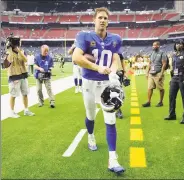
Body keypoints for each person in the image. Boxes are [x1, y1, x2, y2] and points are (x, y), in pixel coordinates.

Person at [72, 7, 125, 174]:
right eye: (100, 17)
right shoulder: (84, 36)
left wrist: (114, 72)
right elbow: (76, 57)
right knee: (90, 116)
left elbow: (116, 58)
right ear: (94, 20)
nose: (102, 20)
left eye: (105, 18)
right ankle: (91, 135)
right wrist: (97, 67)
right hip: (89, 82)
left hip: (106, 85)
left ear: (108, 21)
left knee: (111, 119)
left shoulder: (115, 39)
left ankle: (113, 159)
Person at [164, 40, 184, 124]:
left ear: (183, 45)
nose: (179, 45)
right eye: (177, 44)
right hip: (174, 78)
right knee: (171, 97)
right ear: (175, 45)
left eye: (180, 43)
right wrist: (171, 78)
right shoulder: (173, 55)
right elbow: (172, 69)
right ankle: (172, 114)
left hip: (183, 77)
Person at [4, 36, 35, 118]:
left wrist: (19, 51)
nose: (20, 43)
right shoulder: (9, 53)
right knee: (13, 94)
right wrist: (9, 51)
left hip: (23, 75)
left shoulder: (22, 51)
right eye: (19, 41)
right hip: (14, 77)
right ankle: (11, 111)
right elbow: (6, 65)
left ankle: (26, 110)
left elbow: (25, 60)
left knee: (25, 94)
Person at [142, 41, 167, 107]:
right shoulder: (152, 53)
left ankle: (161, 102)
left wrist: (161, 74)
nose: (153, 46)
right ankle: (148, 102)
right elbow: (150, 63)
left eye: (155, 45)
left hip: (158, 73)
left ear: (158, 46)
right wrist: (147, 73)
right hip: (151, 73)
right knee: (150, 88)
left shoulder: (162, 53)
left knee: (160, 88)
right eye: (153, 45)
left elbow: (164, 64)